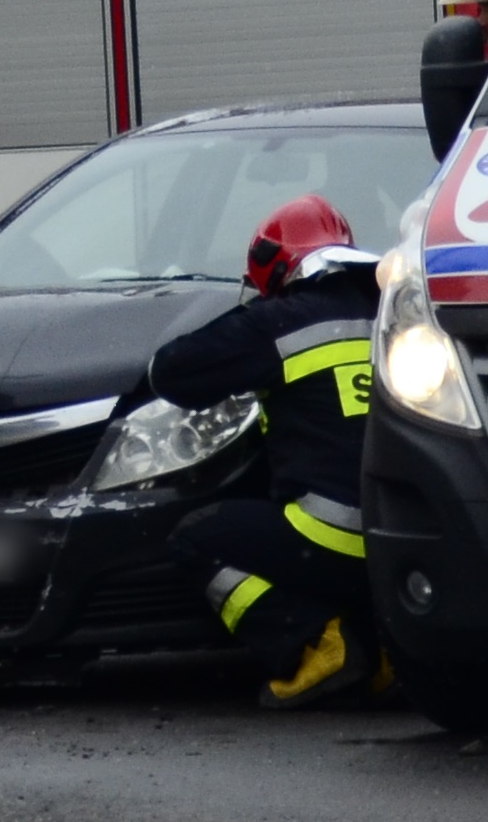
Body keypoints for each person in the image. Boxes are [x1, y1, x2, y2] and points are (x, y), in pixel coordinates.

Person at [146, 194, 387, 708]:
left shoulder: (278, 322)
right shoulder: (397, 312)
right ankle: (387, 654)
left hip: (331, 536)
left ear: (271, 266)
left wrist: (249, 326)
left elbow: (171, 371)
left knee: (198, 539)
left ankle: (315, 643)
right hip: (406, 538)